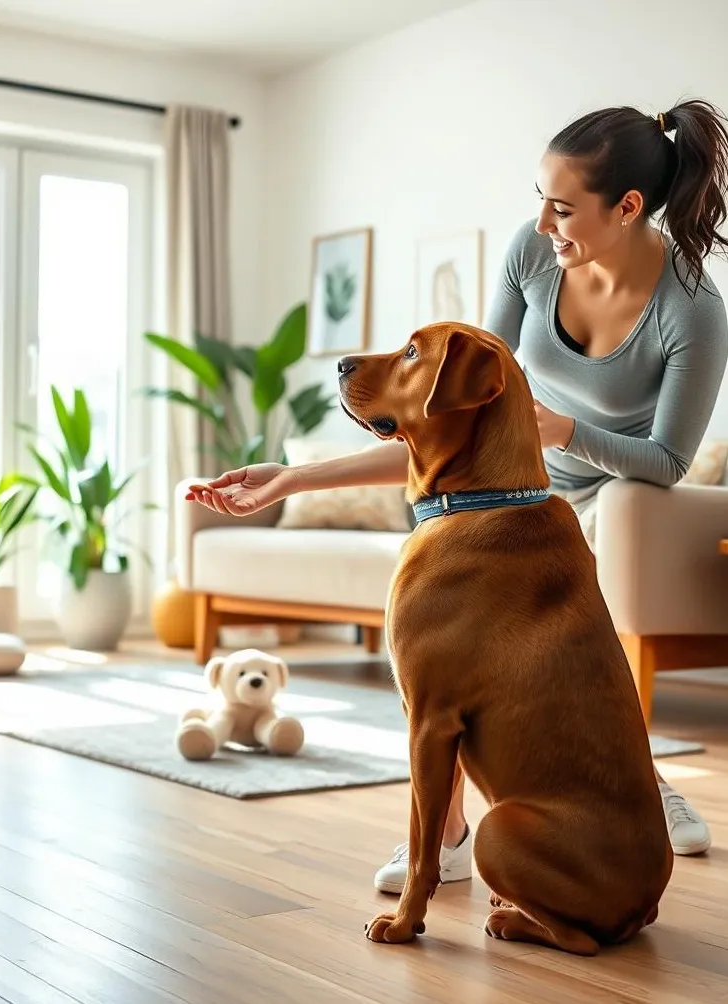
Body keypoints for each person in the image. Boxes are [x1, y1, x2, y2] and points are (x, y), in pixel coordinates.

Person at [186, 98, 728, 891]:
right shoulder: (533, 255)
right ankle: (445, 836)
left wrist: (561, 431)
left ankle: (632, 785)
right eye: (538, 198)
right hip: (504, 483)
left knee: (569, 590)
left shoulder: (693, 310)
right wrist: (293, 476)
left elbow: (669, 460)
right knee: (436, 634)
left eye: (563, 207)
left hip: (610, 496)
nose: (543, 222)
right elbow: (449, 413)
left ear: (629, 208)